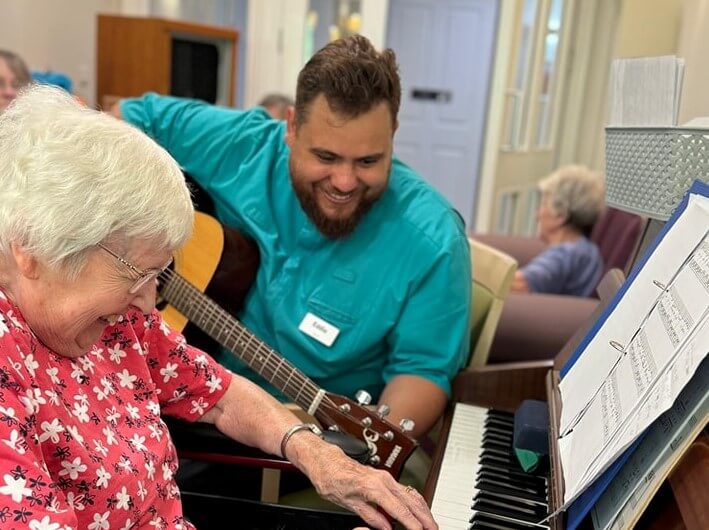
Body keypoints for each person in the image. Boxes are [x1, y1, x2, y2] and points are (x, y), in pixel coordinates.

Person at [0, 84, 437, 530]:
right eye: (136, 274)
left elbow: (220, 394)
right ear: (32, 248)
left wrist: (314, 451)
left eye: (158, 276)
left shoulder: (123, 322)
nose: (150, 305)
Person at [113, 34, 471, 440]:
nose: (344, 181)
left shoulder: (433, 240)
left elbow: (421, 371)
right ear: (291, 127)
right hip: (178, 391)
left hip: (293, 441)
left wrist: (363, 455)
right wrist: (133, 236)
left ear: (393, 134)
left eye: (368, 161)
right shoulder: (247, 145)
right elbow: (127, 118)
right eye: (326, 157)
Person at [511, 165, 605, 297]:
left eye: (543, 204)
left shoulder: (565, 254)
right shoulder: (586, 251)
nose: (536, 215)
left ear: (560, 215)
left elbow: (518, 284)